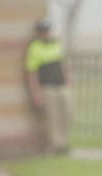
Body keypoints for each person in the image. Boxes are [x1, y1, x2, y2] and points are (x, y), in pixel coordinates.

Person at [25, 19, 71, 155]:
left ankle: (64, 141)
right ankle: (56, 145)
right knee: (52, 116)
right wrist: (35, 92)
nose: (46, 33)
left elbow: (63, 63)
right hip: (47, 87)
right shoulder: (35, 48)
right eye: (43, 31)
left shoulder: (56, 44)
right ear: (39, 33)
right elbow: (32, 72)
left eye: (47, 30)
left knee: (67, 113)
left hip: (61, 85)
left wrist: (68, 77)